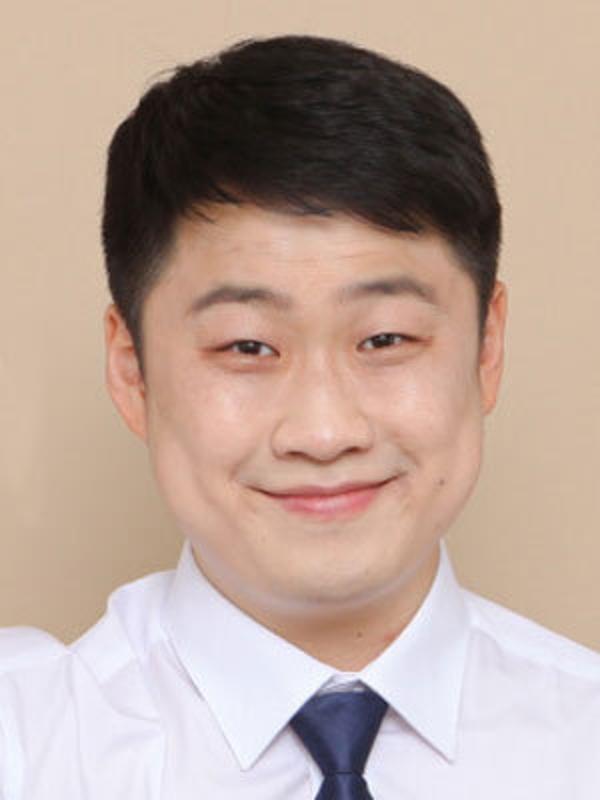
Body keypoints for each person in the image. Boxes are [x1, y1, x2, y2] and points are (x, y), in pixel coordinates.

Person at [1, 34, 599, 799]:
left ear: (487, 348)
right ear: (131, 371)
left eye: (386, 339)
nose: (324, 432)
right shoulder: (25, 750)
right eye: (247, 346)